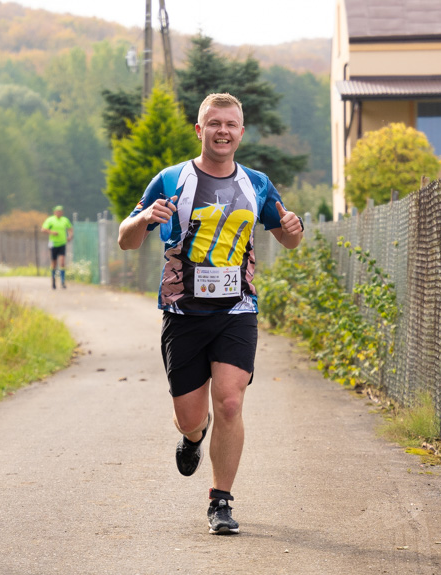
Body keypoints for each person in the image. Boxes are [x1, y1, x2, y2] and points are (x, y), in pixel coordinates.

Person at [117, 93, 303, 535]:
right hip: (183, 312)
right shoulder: (170, 180)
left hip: (238, 308)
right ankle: (192, 437)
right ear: (200, 130)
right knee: (190, 415)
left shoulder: (257, 184)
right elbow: (127, 240)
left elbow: (287, 238)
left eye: (231, 124)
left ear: (241, 132)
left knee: (231, 401)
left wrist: (294, 230)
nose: (223, 131)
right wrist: (143, 219)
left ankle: (220, 501)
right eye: (214, 123)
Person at [41, 205, 73, 289]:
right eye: (57, 211)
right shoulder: (50, 220)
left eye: (60, 211)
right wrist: (52, 232)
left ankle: (62, 281)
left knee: (62, 262)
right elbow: (43, 229)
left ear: (62, 212)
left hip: (62, 243)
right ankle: (53, 281)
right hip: (53, 243)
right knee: (54, 263)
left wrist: (70, 236)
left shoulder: (65, 220)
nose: (59, 213)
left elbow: (70, 228)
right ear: (54, 212)